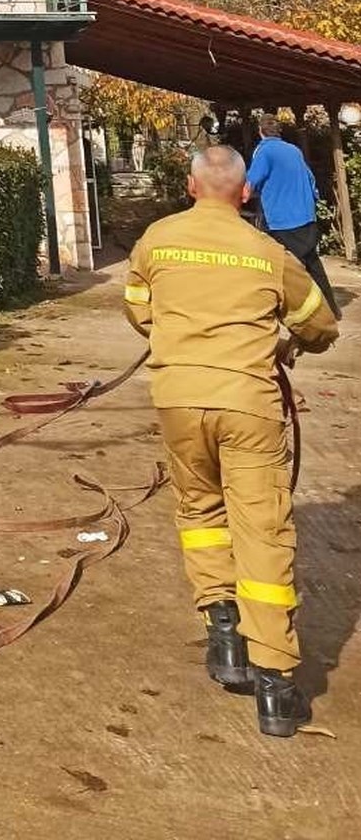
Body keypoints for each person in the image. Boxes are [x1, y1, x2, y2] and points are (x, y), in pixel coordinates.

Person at [123, 144, 339, 737]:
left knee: (200, 511)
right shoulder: (267, 251)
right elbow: (320, 322)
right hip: (248, 405)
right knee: (262, 533)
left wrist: (180, 332)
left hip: (178, 399)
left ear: (191, 187)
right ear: (245, 193)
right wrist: (290, 343)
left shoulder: (157, 240)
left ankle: (224, 639)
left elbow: (138, 309)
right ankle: (276, 687)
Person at [245, 116, 340, 316]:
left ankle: (274, 309)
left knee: (275, 264)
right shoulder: (294, 150)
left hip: (281, 219)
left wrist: (242, 196)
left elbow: (251, 183)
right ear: (279, 131)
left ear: (260, 131)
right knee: (311, 262)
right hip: (305, 215)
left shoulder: (264, 151)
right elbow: (311, 180)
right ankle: (331, 308)